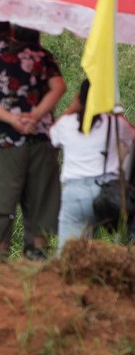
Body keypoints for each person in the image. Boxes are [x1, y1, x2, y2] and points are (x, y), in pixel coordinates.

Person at [0, 22, 66, 259]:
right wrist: (35, 115)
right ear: (10, 30)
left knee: (0, 209)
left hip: (5, 144)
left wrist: (12, 120)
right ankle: (37, 265)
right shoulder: (40, 55)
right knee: (40, 206)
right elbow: (59, 86)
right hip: (41, 141)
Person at [49, 80, 135, 246]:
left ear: (79, 98)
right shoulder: (114, 123)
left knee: (69, 253)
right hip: (106, 192)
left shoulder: (66, 123)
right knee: (114, 248)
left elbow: (50, 137)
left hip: (74, 192)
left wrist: (71, 109)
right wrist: (117, 114)